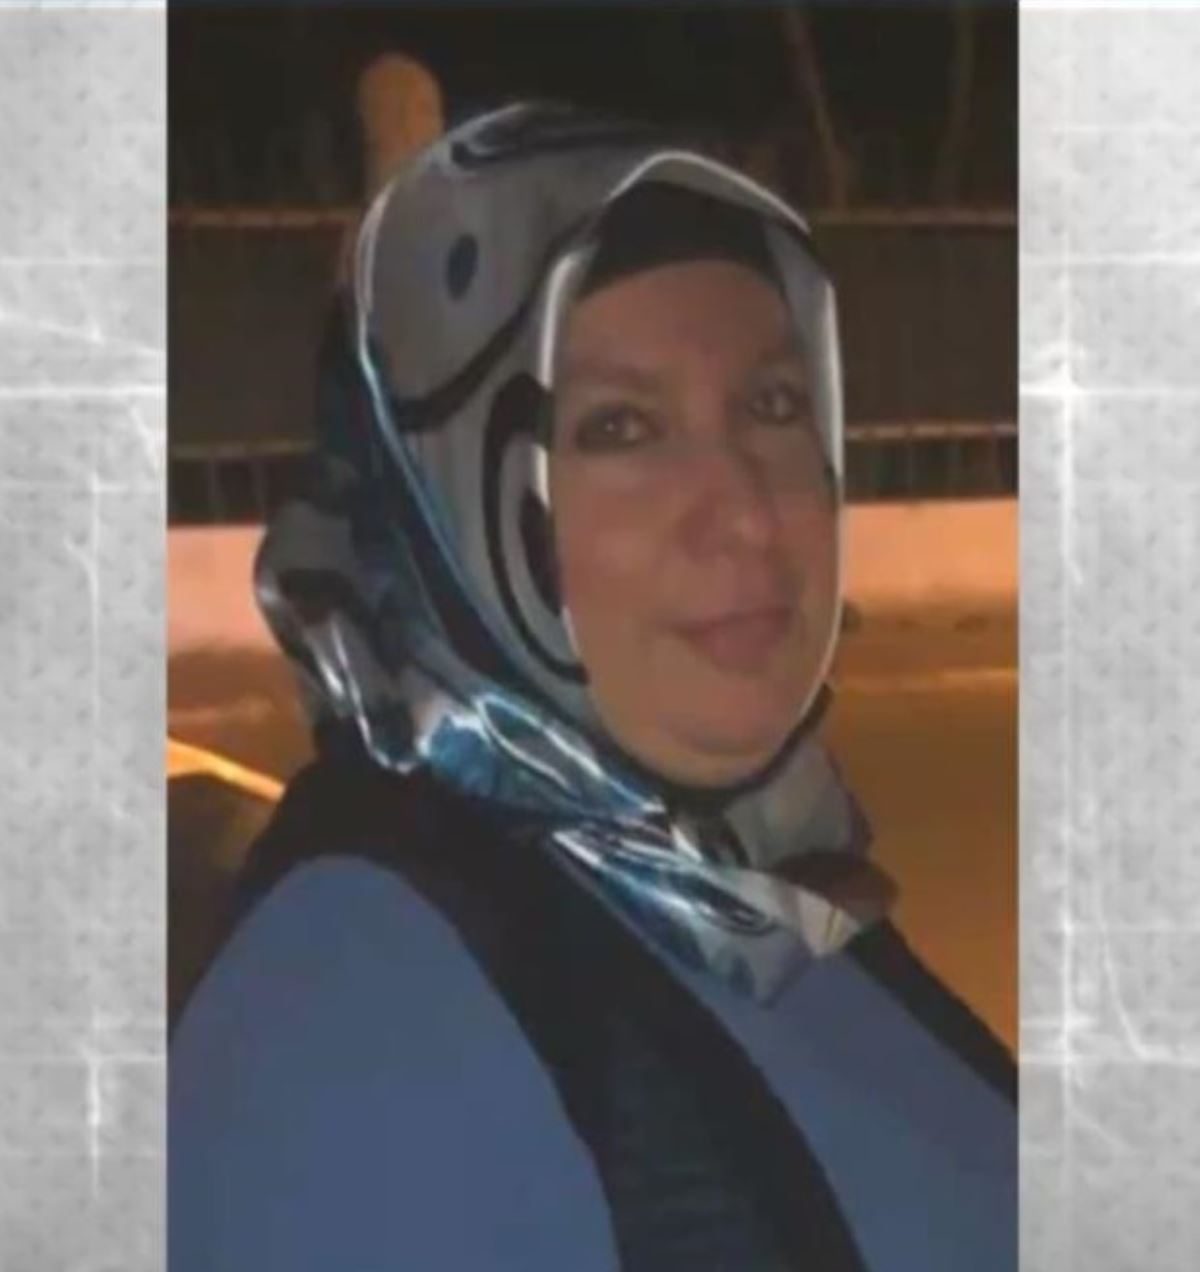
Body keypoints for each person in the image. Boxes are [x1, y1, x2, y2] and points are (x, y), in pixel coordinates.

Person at [169, 103, 1016, 1271]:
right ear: (445, 499)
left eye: (774, 405)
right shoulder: (362, 1021)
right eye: (622, 428)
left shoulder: (740, 891)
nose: (747, 511)